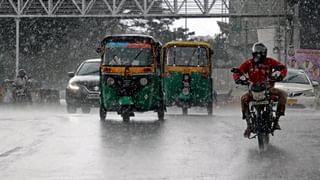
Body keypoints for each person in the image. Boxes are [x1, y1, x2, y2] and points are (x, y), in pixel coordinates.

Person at [232, 42, 288, 138]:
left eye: (260, 52)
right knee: (243, 99)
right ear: (253, 53)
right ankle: (248, 124)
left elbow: (283, 68)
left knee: (283, 94)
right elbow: (239, 71)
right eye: (256, 52)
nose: (258, 54)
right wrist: (237, 78)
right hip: (252, 90)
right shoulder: (249, 63)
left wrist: (280, 75)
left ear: (265, 53)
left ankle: (277, 119)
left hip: (268, 89)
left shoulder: (270, 62)